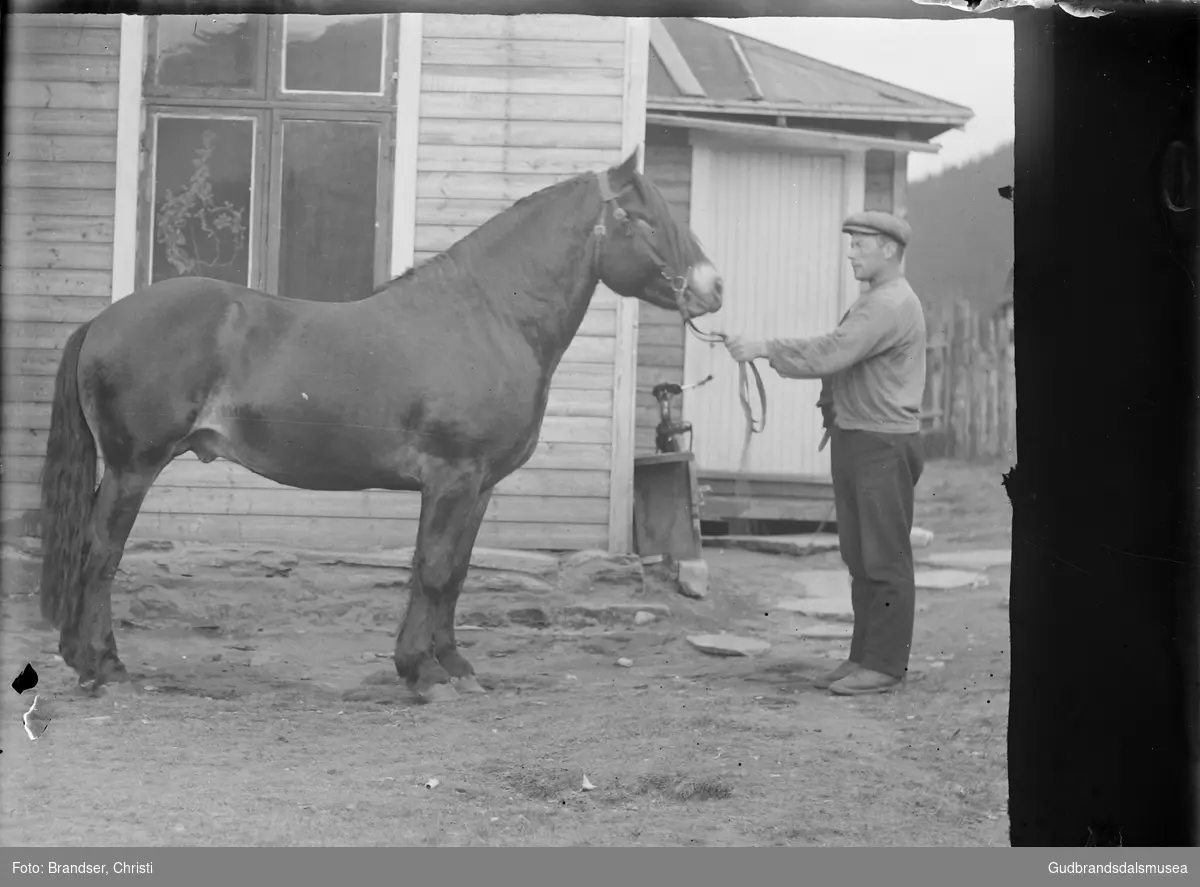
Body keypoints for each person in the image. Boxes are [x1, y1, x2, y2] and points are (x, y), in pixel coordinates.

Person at [724, 210, 926, 696]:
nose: (851, 252)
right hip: (858, 438)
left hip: (881, 443)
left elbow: (833, 352)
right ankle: (863, 657)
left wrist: (763, 347)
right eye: (850, 243)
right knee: (860, 557)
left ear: (890, 251)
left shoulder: (890, 303)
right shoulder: (874, 300)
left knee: (884, 559)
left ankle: (885, 666)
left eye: (861, 244)